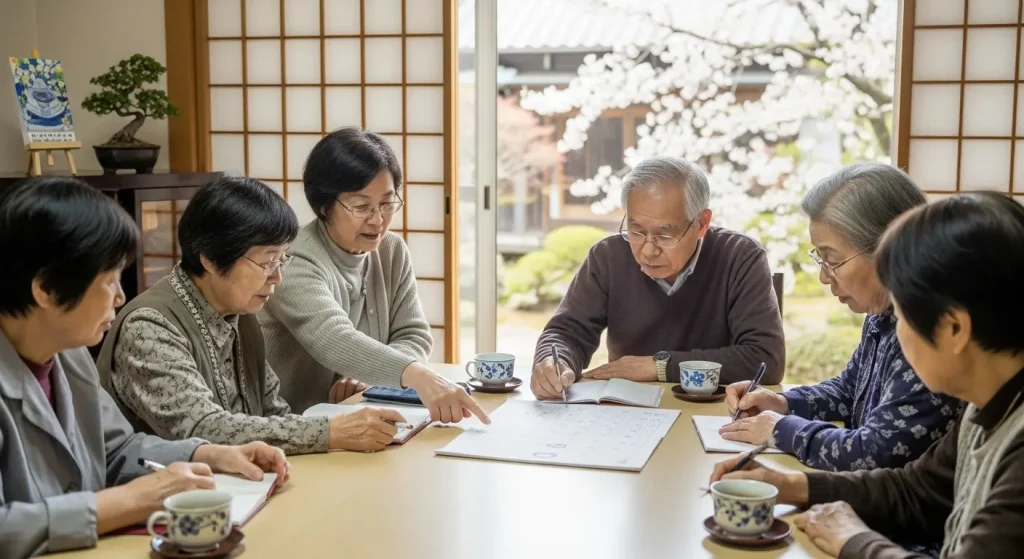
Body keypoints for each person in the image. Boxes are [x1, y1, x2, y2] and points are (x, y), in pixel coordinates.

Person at [709, 192, 1024, 558]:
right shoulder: (987, 403)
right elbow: (918, 490)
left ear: (954, 329)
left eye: (903, 316)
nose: (894, 328)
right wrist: (790, 484)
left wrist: (854, 541)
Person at [0, 177, 289, 558]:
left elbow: (118, 448)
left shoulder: (67, 355)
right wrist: (121, 504)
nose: (121, 297)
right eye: (109, 280)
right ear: (47, 290)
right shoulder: (141, 323)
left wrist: (205, 454)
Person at [96, 176, 407, 455]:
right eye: (267, 262)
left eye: (281, 261)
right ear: (211, 259)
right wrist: (334, 432)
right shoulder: (150, 325)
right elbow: (202, 430)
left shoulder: (239, 312)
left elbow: (274, 412)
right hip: (173, 504)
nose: (277, 278)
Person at [719, 163, 964, 472]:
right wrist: (782, 403)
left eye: (832, 260)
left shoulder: (928, 328)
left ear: (889, 247)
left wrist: (781, 429)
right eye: (820, 259)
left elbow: (877, 451)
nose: (824, 277)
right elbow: (850, 391)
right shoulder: (884, 311)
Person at [260, 127, 488, 424]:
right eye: (361, 206)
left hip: (359, 421)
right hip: (290, 425)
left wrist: (373, 376)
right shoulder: (293, 260)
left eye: (387, 203)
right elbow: (333, 338)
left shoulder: (391, 250)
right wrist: (415, 374)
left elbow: (413, 334)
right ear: (324, 205)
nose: (378, 220)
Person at [530, 155, 785, 400]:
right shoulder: (608, 256)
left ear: (701, 223)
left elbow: (765, 360)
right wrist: (553, 361)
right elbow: (567, 332)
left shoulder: (740, 257)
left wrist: (660, 366)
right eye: (636, 230)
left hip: (713, 412)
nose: (648, 250)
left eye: (665, 235)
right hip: (627, 411)